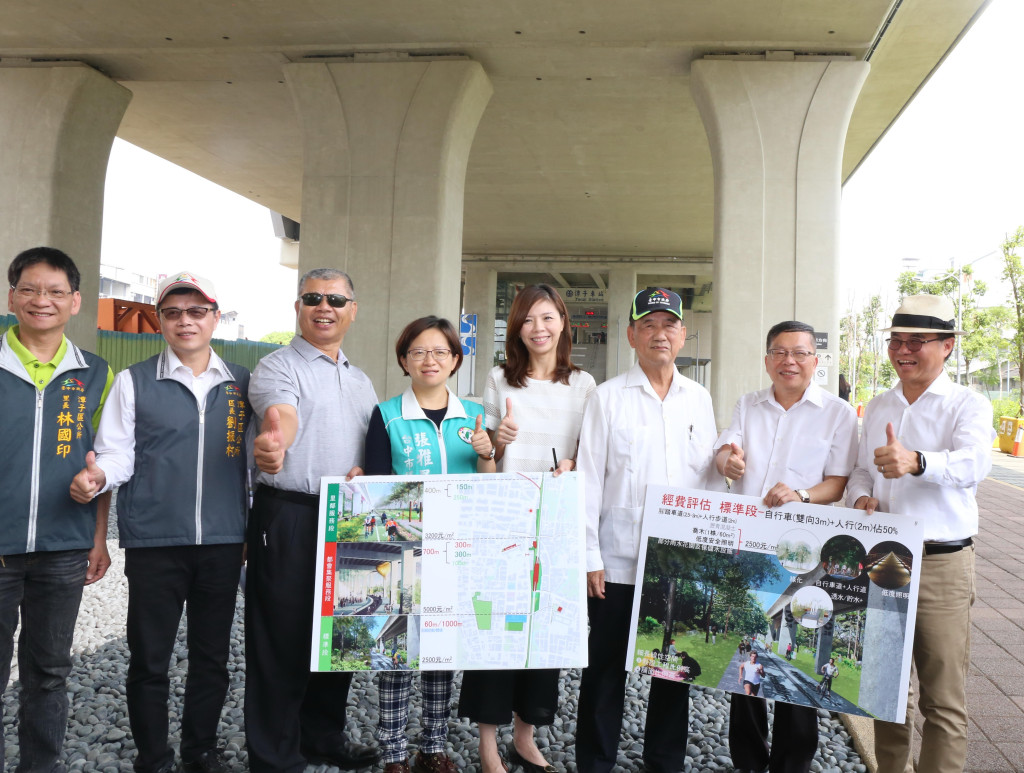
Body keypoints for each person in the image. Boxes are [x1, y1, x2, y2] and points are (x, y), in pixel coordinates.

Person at [71, 271, 250, 773]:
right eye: (173, 313)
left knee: (211, 657)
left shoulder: (242, 382)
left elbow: (256, 462)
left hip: (222, 540)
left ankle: (201, 751)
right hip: (154, 542)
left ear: (215, 318)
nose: (185, 322)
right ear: (160, 322)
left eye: (197, 312)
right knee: (149, 658)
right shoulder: (134, 381)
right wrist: (100, 475)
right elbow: (117, 453)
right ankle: (153, 757)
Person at [847, 294, 994, 773]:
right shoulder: (881, 405)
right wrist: (862, 497)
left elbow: (975, 464)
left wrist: (918, 462)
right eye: (896, 340)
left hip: (942, 563)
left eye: (917, 341)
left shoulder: (966, 404)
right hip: (885, 558)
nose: (903, 350)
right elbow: (862, 473)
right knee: (885, 689)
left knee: (943, 699)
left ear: (948, 346)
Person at [575, 287, 717, 773]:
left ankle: (665, 763)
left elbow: (710, 479)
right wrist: (589, 554)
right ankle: (595, 762)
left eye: (670, 325)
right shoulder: (608, 397)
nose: (660, 333)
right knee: (604, 673)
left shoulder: (699, 399)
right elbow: (589, 479)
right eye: (650, 325)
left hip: (680, 562)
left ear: (682, 335)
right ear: (632, 334)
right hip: (617, 561)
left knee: (674, 673)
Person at [245, 268, 380, 773]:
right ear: (298, 306)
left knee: (341, 635)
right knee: (280, 638)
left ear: (352, 309)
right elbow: (282, 416)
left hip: (349, 519)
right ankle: (274, 756)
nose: (325, 307)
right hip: (291, 515)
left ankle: (322, 736)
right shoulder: (278, 367)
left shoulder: (360, 378)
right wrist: (273, 447)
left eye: (336, 300)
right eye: (313, 298)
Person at [458, 284, 596, 773]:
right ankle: (488, 744)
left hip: (556, 523)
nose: (538, 328)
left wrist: (574, 461)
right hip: (506, 521)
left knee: (545, 633)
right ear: (516, 328)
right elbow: (486, 464)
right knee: (496, 629)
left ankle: (525, 734)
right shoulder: (500, 380)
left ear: (563, 322)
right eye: (527, 320)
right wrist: (494, 441)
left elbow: (590, 455)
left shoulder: (584, 385)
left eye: (547, 317)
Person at [713, 320, 858, 773]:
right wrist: (727, 459)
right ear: (767, 359)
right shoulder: (748, 404)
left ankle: (793, 763)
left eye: (799, 353)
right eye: (779, 352)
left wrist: (801, 494)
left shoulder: (836, 413)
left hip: (803, 553)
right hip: (749, 548)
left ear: (816, 360)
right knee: (746, 660)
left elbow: (838, 483)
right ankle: (748, 762)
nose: (789, 361)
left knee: (797, 670)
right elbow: (726, 448)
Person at [363, 315, 495, 773]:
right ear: (404, 359)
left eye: (440, 351)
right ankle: (394, 751)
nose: (430, 359)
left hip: (454, 553)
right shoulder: (386, 416)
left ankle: (433, 747)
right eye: (419, 351)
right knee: (397, 650)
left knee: (440, 651)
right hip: (401, 554)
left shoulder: (473, 417)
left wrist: (488, 454)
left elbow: (488, 486)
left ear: (456, 360)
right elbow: (377, 488)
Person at [0, 247, 114, 773]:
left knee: (48, 672)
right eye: (29, 289)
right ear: (11, 297)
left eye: (54, 292)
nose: (40, 300)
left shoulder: (96, 374)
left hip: (63, 549)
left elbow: (106, 459)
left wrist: (97, 538)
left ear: (74, 302)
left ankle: (38, 767)